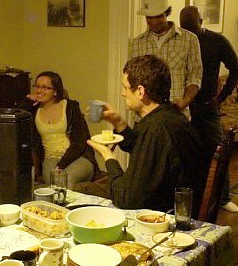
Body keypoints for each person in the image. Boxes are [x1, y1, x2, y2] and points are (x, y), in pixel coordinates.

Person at [87, 55, 203, 213]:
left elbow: (128, 200)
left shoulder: (157, 129)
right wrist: (118, 122)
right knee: (84, 187)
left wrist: (108, 157)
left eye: (125, 88)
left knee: (82, 189)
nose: (122, 93)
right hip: (166, 199)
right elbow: (140, 147)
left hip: (160, 214)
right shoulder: (169, 116)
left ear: (140, 91)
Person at [180, 5, 238, 213]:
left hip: (207, 106)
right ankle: (189, 195)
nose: (189, 32)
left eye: (192, 27)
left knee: (217, 149)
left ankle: (223, 197)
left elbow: (236, 68)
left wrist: (221, 97)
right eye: (185, 28)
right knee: (186, 152)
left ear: (201, 21)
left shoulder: (216, 41)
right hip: (184, 106)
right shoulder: (179, 41)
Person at [130, 0, 203, 115]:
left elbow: (195, 76)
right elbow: (133, 80)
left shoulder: (189, 40)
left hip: (176, 115)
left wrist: (186, 100)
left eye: (158, 16)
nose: (153, 21)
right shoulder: (137, 43)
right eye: (149, 17)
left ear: (167, 13)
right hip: (145, 117)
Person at [27, 71, 98, 188]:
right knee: (56, 183)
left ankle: (69, 207)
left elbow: (79, 142)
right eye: (37, 86)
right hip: (51, 158)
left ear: (55, 91)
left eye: (45, 87)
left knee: (66, 179)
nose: (39, 90)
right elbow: (17, 117)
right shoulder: (34, 110)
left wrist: (61, 165)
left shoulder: (70, 107)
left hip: (78, 157)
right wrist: (28, 101)